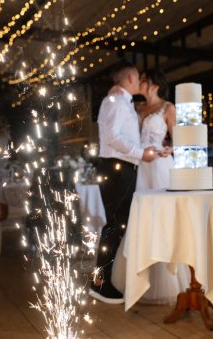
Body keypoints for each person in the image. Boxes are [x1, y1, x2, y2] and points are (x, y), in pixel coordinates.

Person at [111, 68, 190, 304]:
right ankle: (138, 280)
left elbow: (180, 140)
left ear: (153, 83)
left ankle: (173, 278)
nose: (140, 84)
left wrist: (170, 149)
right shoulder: (138, 109)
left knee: (164, 219)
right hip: (141, 169)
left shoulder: (168, 108)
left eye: (143, 80)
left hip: (161, 167)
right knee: (143, 219)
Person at [89, 62, 158, 304]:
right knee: (115, 226)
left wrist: (144, 151)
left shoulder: (121, 101)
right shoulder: (114, 102)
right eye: (138, 77)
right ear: (129, 78)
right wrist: (141, 154)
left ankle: (104, 279)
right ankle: (99, 283)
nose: (141, 81)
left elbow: (124, 137)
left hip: (123, 168)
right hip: (116, 168)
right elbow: (113, 138)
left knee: (118, 225)